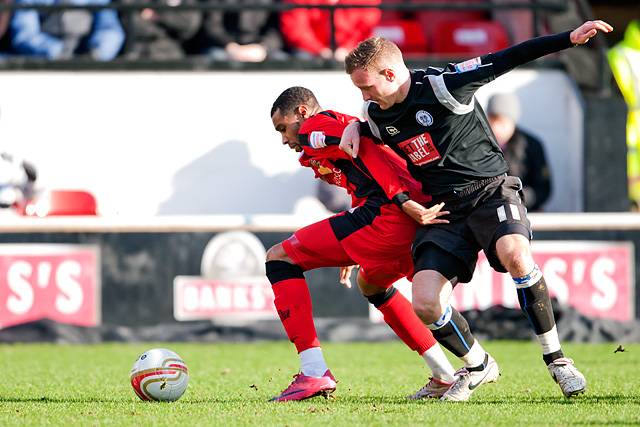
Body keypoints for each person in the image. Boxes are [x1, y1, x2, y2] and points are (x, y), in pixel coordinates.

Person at [339, 20, 613, 401]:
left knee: (516, 255)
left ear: (390, 73)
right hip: (445, 209)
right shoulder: (375, 115)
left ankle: (558, 361)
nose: (364, 95)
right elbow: (373, 158)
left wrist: (568, 38)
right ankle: (479, 365)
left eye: (367, 86)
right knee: (424, 301)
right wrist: (357, 127)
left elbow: (510, 55)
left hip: (490, 192)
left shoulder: (444, 85)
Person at [267, 86, 457, 402]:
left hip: (387, 216)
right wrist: (352, 244)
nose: (285, 139)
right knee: (371, 285)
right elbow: (362, 167)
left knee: (279, 258)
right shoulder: (324, 138)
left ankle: (313, 372)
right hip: (399, 221)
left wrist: (402, 200)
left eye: (282, 128)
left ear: (302, 113)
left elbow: (363, 145)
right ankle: (445, 374)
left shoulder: (316, 126)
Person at [487, 92, 552, 212]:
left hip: (525, 212)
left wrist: (515, 198)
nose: (495, 127)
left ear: (513, 121)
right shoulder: (480, 144)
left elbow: (543, 189)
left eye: (501, 121)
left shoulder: (531, 146)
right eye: (492, 120)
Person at [10, 0, 124, 61]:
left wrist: (97, 54)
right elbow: (24, 36)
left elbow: (110, 30)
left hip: (88, 68)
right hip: (44, 69)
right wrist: (59, 52)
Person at [280, 0, 381, 61]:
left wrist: (347, 49)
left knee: (370, 59)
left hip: (354, 50)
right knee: (301, 57)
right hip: (310, 53)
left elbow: (366, 26)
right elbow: (295, 28)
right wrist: (319, 50)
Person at [186, 0, 285, 62]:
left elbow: (275, 30)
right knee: (216, 58)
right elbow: (211, 25)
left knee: (281, 61)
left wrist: (263, 48)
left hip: (259, 48)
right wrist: (230, 46)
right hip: (222, 47)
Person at [119, 0, 202, 60]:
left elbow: (188, 25)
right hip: (138, 52)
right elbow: (132, 23)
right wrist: (164, 28)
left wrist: (157, 17)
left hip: (170, 52)